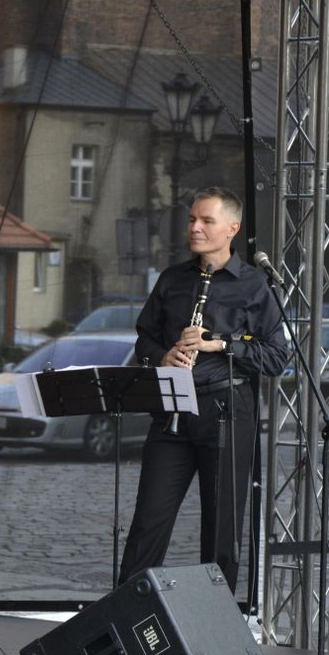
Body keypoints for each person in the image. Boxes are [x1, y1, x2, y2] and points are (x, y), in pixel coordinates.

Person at [118, 187, 289, 592]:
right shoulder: (173, 279)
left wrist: (221, 343)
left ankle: (217, 630)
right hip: (172, 411)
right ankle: (124, 617)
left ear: (232, 228)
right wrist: (163, 356)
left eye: (206, 221)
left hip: (227, 411)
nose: (194, 227)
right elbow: (144, 337)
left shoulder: (254, 285)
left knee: (222, 530)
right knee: (148, 522)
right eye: (192, 219)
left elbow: (276, 356)